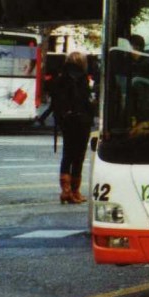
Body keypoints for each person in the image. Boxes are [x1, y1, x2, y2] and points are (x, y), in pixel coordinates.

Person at [53, 51, 94, 204]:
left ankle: (65, 190)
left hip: (66, 122)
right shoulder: (82, 78)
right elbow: (86, 101)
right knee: (79, 156)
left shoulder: (61, 77)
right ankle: (75, 191)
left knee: (67, 154)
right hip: (81, 121)